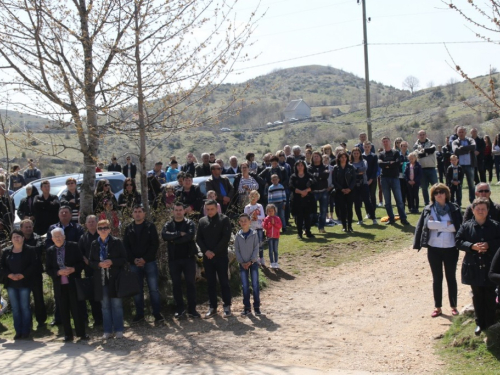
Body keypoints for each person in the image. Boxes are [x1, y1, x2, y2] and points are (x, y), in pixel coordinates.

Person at [413, 184, 462, 318]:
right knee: (437, 278)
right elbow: (427, 225)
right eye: (436, 193)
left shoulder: (454, 208)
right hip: (434, 248)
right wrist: (446, 224)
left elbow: (456, 227)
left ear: (446, 194)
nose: (439, 195)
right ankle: (438, 306)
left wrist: (437, 225)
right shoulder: (429, 209)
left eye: (441, 192)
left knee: (451, 277)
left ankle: (453, 306)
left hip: (451, 248)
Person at [456, 198, 500, 336]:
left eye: (483, 209)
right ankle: (480, 323)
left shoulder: (496, 225)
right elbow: (457, 241)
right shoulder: (466, 226)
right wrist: (471, 246)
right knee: (477, 295)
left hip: (490, 266)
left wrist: (489, 245)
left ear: (487, 211)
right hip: (473, 267)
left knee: (490, 294)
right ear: (473, 210)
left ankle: (491, 323)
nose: (481, 211)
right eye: (478, 209)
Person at [46, 227, 88, 341]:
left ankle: (81, 334)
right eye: (55, 237)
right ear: (52, 239)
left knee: (77, 309)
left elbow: (81, 263)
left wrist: (73, 269)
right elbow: (48, 269)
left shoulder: (73, 246)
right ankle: (68, 335)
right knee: (64, 310)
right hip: (60, 285)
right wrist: (58, 272)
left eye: (60, 236)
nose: (58, 238)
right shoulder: (50, 251)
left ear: (64, 237)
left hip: (73, 283)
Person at [123, 205, 163, 323]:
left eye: (140, 211)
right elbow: (125, 247)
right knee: (137, 290)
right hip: (134, 264)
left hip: (149, 262)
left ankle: (157, 313)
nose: (137, 214)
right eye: (135, 212)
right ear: (132, 214)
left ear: (144, 214)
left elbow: (154, 245)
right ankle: (140, 314)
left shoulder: (150, 227)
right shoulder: (128, 228)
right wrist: (133, 260)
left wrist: (145, 259)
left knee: (153, 289)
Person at [89, 219, 127, 339]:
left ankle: (119, 329)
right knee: (105, 306)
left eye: (105, 228)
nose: (103, 230)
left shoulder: (117, 242)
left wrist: (112, 262)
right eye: (100, 228)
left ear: (110, 229)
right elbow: (91, 262)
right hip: (101, 279)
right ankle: (107, 331)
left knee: (117, 305)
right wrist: (99, 264)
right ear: (97, 231)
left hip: (115, 279)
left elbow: (124, 259)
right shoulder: (94, 244)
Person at [161, 202, 200, 318]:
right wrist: (178, 234)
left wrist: (173, 239)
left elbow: (190, 236)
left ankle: (192, 309)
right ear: (173, 211)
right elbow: (164, 236)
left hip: (188, 258)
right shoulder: (168, 225)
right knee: (176, 285)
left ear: (184, 211)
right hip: (174, 260)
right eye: (176, 210)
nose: (178, 212)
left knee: (190, 284)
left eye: (180, 210)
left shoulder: (190, 223)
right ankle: (180, 309)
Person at [196, 200, 232, 318]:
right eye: (208, 209)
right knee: (210, 283)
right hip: (208, 258)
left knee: (224, 282)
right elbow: (199, 239)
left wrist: (214, 252)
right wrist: (206, 251)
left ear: (216, 208)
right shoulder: (202, 221)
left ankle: (227, 306)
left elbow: (225, 238)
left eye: (212, 209)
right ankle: (213, 307)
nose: (210, 211)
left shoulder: (224, 219)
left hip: (221, 256)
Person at [0, 229, 37, 339]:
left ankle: (26, 331)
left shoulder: (30, 250)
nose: (16, 238)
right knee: (15, 308)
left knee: (25, 307)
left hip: (24, 283)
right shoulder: (6, 251)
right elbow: (2, 267)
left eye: (18, 236)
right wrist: (9, 275)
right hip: (11, 284)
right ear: (11, 239)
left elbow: (33, 265)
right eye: (14, 237)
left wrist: (23, 275)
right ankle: (18, 331)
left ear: (23, 238)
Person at [20, 219, 47, 329]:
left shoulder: (37, 238)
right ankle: (27, 322)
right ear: (21, 228)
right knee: (24, 300)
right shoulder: (18, 238)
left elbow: (37, 250)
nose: (28, 229)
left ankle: (41, 321)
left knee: (38, 298)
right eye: (26, 227)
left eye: (30, 226)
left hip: (35, 273)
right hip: (22, 274)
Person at [234, 213, 262, 317]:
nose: (244, 222)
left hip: (253, 263)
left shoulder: (254, 234)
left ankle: (257, 307)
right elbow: (237, 250)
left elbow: (256, 249)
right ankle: (247, 307)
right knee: (245, 286)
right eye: (241, 221)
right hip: (242, 264)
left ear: (250, 222)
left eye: (246, 220)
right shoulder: (238, 235)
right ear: (239, 223)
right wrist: (241, 262)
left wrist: (251, 261)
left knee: (255, 285)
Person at [78, 215, 103, 327]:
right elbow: (80, 254)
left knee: (104, 294)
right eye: (89, 222)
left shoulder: (102, 235)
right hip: (89, 270)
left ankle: (106, 319)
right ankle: (97, 320)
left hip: (103, 269)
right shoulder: (83, 238)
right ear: (86, 224)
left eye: (93, 221)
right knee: (93, 296)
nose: (91, 224)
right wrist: (87, 262)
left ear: (97, 223)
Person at [378, 137, 409, 226]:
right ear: (382, 143)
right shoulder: (381, 154)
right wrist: (390, 163)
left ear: (390, 142)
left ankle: (403, 218)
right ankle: (391, 218)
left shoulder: (395, 152)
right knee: (387, 202)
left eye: (386, 141)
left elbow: (397, 163)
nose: (385, 143)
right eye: (383, 141)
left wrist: (386, 164)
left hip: (395, 178)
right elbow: (380, 164)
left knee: (399, 200)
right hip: (384, 179)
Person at [289, 160, 315, 239]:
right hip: (297, 200)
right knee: (299, 218)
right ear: (296, 167)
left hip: (308, 199)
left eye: (301, 165)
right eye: (298, 165)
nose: (300, 167)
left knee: (307, 217)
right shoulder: (293, 176)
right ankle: (299, 233)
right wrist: (301, 192)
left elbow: (314, 184)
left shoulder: (309, 175)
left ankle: (308, 232)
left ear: (304, 166)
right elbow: (291, 186)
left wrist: (306, 191)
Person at [351, 147, 377, 225]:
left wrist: (356, 171)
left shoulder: (364, 161)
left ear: (360, 154)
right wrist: (358, 171)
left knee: (367, 201)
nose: (356, 155)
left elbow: (364, 169)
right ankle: (360, 219)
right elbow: (351, 172)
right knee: (357, 203)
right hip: (354, 185)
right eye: (354, 153)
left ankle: (373, 218)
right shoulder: (350, 163)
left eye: (357, 153)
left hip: (364, 184)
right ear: (352, 154)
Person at [332, 151, 356, 232]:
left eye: (345, 157)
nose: (344, 159)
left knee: (349, 208)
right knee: (342, 209)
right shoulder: (336, 168)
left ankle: (350, 226)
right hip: (340, 191)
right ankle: (344, 226)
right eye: (342, 157)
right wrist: (341, 189)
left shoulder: (351, 167)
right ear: (339, 158)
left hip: (350, 191)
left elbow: (354, 179)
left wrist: (349, 188)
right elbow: (334, 181)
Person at [452, 126, 476, 203]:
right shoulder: (455, 142)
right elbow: (456, 150)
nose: (461, 133)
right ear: (457, 133)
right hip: (459, 166)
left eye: (462, 132)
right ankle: (458, 202)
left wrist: (462, 148)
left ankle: (472, 201)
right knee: (459, 185)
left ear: (465, 133)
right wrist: (466, 150)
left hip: (470, 165)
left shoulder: (470, 140)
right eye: (460, 132)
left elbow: (473, 146)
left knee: (471, 184)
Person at [413, 130, 437, 206]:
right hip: (422, 169)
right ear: (418, 136)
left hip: (432, 168)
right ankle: (426, 203)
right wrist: (427, 153)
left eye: (423, 134)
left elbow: (433, 149)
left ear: (426, 135)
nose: (422, 136)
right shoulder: (415, 145)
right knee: (424, 188)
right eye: (420, 135)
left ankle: (436, 201)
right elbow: (417, 155)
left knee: (435, 186)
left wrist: (424, 151)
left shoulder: (431, 143)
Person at [307, 151, 330, 233]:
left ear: (320, 158)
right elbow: (310, 178)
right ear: (312, 158)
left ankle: (321, 227)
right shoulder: (309, 168)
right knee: (310, 211)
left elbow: (326, 175)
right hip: (313, 192)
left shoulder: (325, 167)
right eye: (314, 156)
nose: (316, 158)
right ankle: (307, 228)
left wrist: (316, 175)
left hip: (323, 191)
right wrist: (319, 176)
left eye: (317, 156)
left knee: (323, 211)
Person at [244, 190, 265, 265]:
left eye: (255, 196)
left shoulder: (259, 206)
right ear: (249, 197)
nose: (253, 197)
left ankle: (261, 258)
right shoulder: (247, 207)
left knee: (260, 243)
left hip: (259, 227)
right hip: (251, 228)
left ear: (257, 197)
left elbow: (263, 216)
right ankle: (255, 258)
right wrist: (251, 218)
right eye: (251, 196)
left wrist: (257, 217)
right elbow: (245, 217)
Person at [262, 204, 282, 269]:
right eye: (269, 211)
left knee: (275, 250)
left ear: (274, 211)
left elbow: (279, 226)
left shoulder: (277, 218)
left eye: (272, 211)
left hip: (276, 236)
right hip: (269, 237)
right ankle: (272, 262)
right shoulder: (266, 219)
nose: (270, 212)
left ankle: (276, 262)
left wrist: (274, 223)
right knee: (270, 250)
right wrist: (270, 224)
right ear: (267, 212)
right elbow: (265, 227)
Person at [362, 141, 378, 218]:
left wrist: (371, 179)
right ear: (363, 147)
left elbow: (375, 169)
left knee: (372, 196)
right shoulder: (361, 156)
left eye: (368, 147)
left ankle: (373, 213)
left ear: (370, 147)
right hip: (364, 180)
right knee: (366, 197)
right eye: (365, 147)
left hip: (373, 179)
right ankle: (368, 212)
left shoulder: (374, 156)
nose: (367, 148)